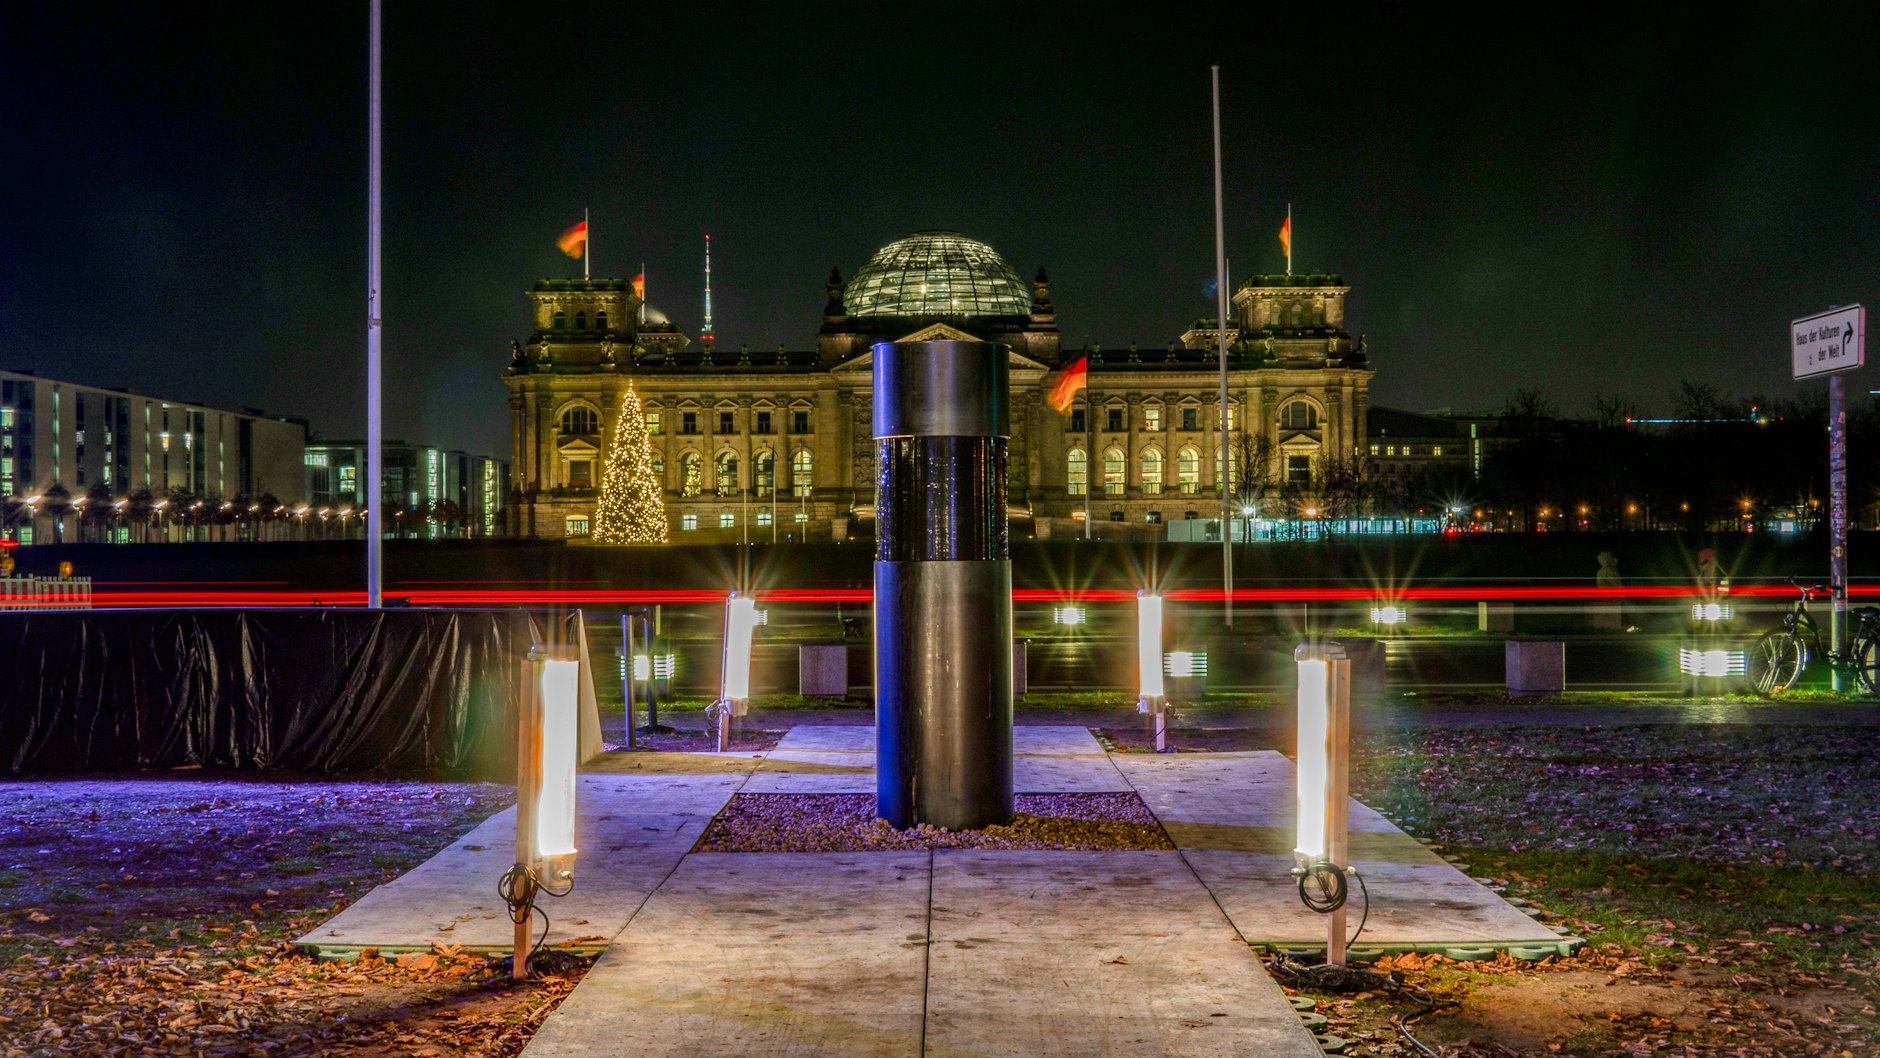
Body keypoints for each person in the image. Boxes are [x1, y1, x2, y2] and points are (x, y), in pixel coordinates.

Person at [1596, 551, 1636, 632]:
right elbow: (1616, 583)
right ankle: (1627, 628)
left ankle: (1613, 628)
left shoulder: (1600, 571)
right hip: (1613, 596)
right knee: (1623, 612)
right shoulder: (1609, 570)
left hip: (1604, 596)